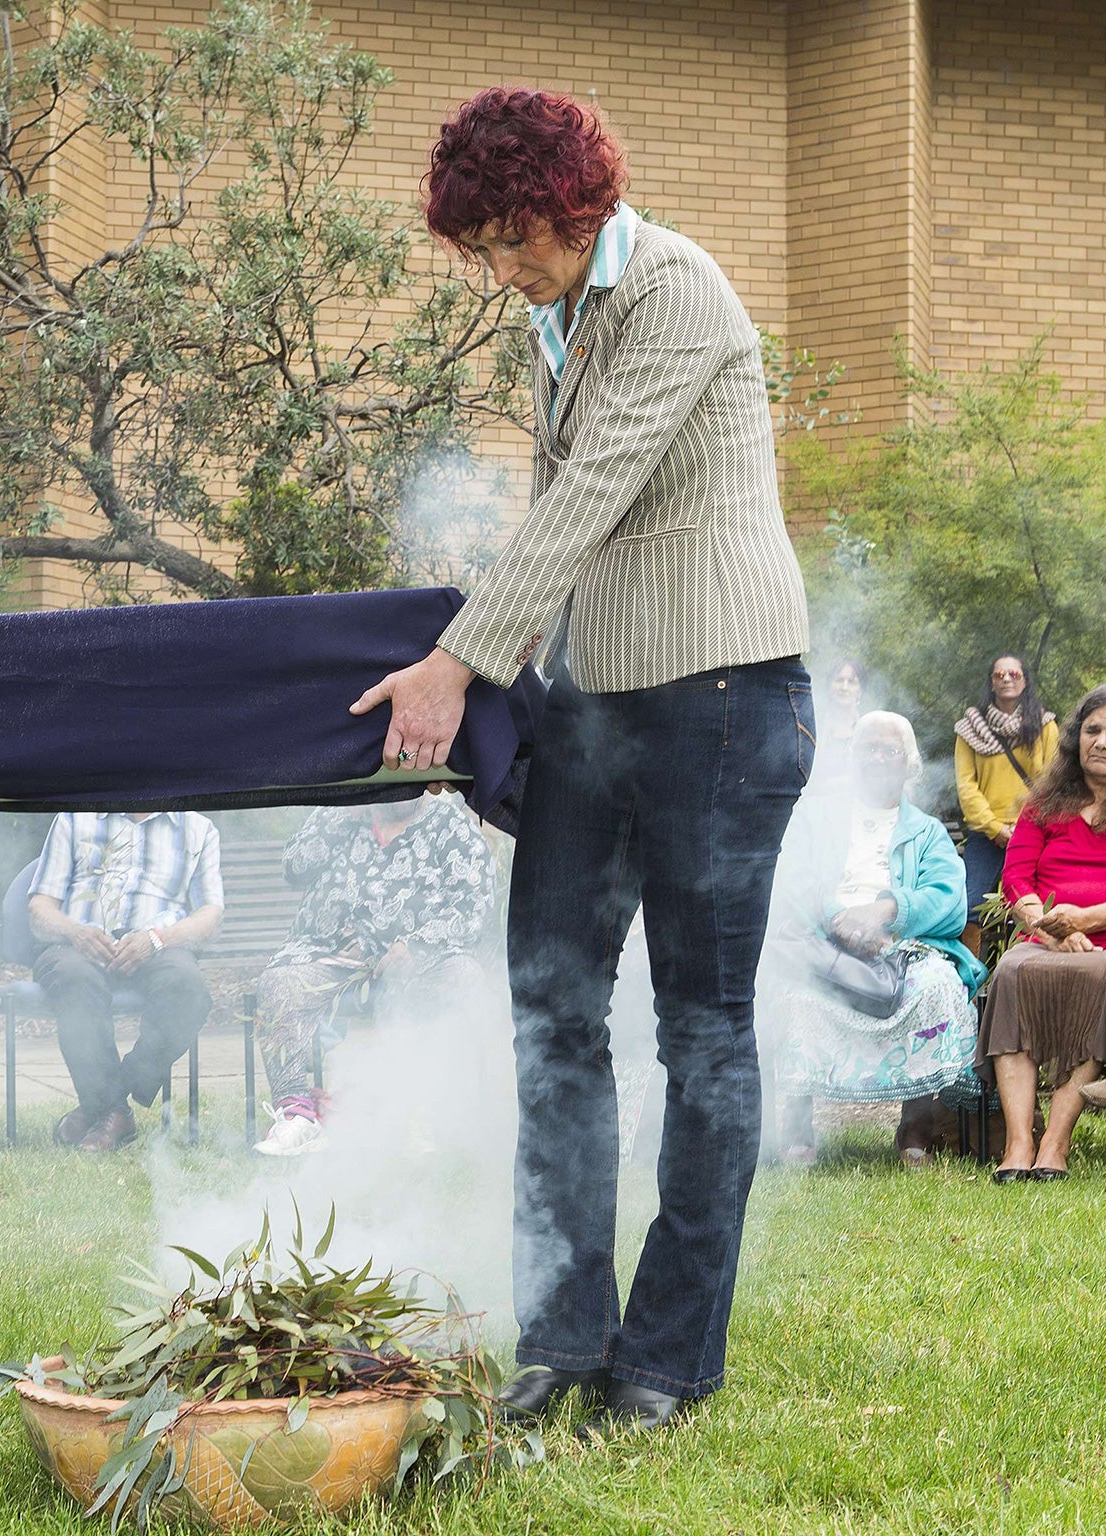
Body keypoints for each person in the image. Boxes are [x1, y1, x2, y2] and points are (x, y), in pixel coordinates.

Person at [354, 88, 811, 1435]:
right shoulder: (564, 315)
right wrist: (505, 668)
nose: (500, 272)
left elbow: (595, 489)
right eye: (483, 247)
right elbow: (558, 517)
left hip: (724, 705)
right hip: (597, 713)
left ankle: (664, 1364)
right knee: (552, 1020)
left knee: (701, 1036)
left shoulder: (675, 290)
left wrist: (460, 660)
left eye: (512, 240)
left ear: (575, 204)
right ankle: (562, 1341)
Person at [765, 714, 984, 1167]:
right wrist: (837, 918)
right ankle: (797, 1126)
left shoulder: (926, 831)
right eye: (869, 747)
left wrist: (887, 911)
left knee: (938, 988)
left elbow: (949, 901)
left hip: (902, 946)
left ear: (909, 764)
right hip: (826, 940)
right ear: (853, 757)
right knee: (796, 992)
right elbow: (792, 880)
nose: (880, 757)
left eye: (891, 750)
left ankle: (915, 1128)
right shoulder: (818, 817)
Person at [252, 795, 497, 1157]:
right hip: (331, 951)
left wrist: (417, 945)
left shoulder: (448, 823)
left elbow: (473, 904)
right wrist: (343, 814)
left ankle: (425, 1113)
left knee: (463, 978)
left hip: (417, 955)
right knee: (279, 983)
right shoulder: (342, 811)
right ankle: (297, 1115)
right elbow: (294, 866)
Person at [28, 811, 224, 1152]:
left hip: (160, 943)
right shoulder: (73, 819)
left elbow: (210, 914)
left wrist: (158, 939)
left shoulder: (198, 828)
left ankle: (106, 1101)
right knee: (74, 979)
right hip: (80, 944)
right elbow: (40, 905)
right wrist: (75, 932)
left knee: (188, 990)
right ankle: (113, 1114)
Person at [978, 684, 1106, 1183]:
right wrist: (1048, 927)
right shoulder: (1045, 804)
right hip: (1046, 937)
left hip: (1100, 940)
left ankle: (1055, 1142)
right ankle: (1017, 1143)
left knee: (1099, 975)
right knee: (1010, 969)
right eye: (1093, 730)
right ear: (1076, 739)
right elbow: (1016, 878)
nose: (1101, 741)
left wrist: (1086, 921)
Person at [955, 654, 1059, 920]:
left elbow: (1054, 780)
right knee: (968, 907)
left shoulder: (1045, 726)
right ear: (991, 683)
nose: (1006, 680)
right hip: (987, 834)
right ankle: (969, 962)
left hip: (1036, 830)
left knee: (1039, 906)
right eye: (999, 675)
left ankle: (1029, 961)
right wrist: (995, 828)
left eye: (1014, 674)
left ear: (1025, 682)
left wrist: (1026, 825)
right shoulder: (969, 729)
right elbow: (966, 786)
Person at [810, 659, 866, 790]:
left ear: (860, 690)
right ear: (829, 686)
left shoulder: (868, 728)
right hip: (814, 802)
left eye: (851, 682)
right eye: (839, 680)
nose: (844, 687)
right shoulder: (814, 724)